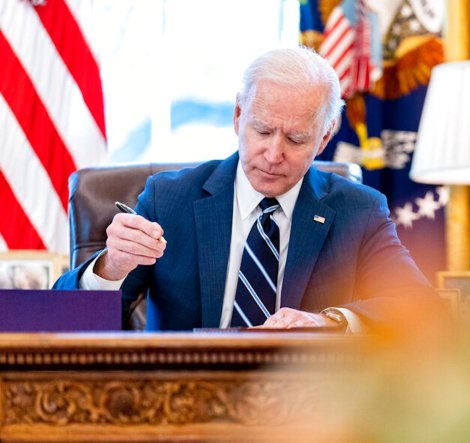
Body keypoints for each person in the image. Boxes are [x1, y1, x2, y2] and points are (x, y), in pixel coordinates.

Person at [54, 46, 434, 331]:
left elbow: (420, 308)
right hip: (183, 407)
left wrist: (331, 323)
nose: (273, 154)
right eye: (263, 130)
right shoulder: (168, 200)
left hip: (310, 416)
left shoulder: (358, 210)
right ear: (238, 116)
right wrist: (110, 267)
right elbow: (64, 320)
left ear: (323, 139)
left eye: (297, 139)